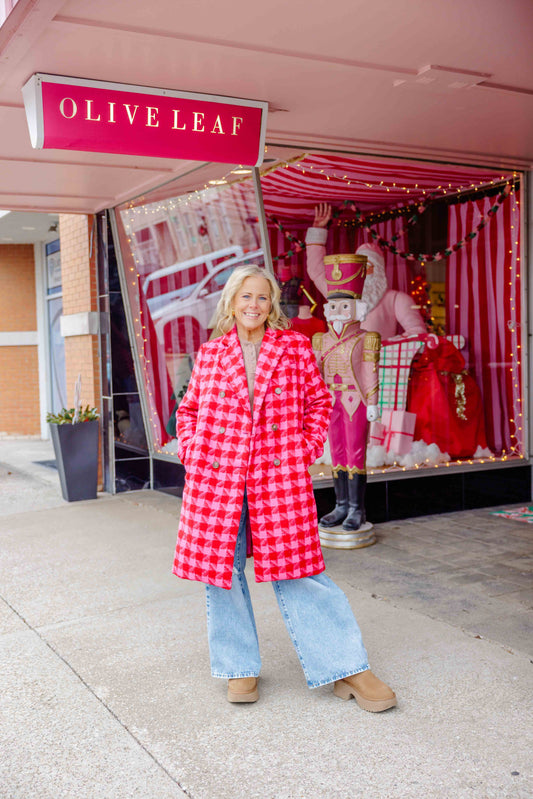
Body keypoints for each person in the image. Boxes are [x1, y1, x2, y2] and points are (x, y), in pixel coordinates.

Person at [172, 264, 396, 711]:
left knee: (302, 573)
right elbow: (189, 411)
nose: (253, 305)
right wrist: (193, 450)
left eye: (262, 297)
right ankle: (239, 668)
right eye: (245, 297)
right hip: (218, 478)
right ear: (232, 302)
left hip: (278, 477)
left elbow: (318, 402)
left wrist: (305, 448)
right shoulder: (212, 353)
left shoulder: (293, 347)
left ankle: (347, 667)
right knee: (223, 574)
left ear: (271, 303)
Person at [312, 254, 380, 531]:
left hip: (356, 399)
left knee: (355, 452)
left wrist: (374, 402)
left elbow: (369, 372)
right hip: (331, 401)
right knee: (336, 451)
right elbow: (313, 372)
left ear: (357, 309)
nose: (338, 311)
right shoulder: (320, 339)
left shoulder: (367, 338)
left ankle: (356, 509)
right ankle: (340, 505)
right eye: (334, 306)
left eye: (344, 306)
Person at [306, 204, 426, 340]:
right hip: (339, 361)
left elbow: (418, 333)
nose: (363, 271)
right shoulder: (340, 293)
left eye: (368, 266)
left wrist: (383, 347)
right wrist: (317, 230)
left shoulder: (395, 299)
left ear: (379, 270)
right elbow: (315, 269)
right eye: (359, 267)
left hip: (377, 360)